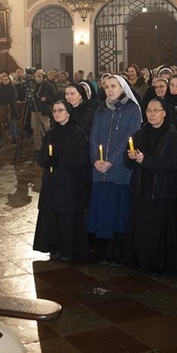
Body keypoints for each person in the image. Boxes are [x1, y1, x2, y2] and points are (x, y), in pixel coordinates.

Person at [125, 98, 177, 274]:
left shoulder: (173, 136)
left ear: (164, 113)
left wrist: (146, 160)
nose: (151, 114)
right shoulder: (140, 133)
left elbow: (174, 163)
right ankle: (142, 262)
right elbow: (127, 162)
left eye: (156, 110)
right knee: (142, 228)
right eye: (149, 110)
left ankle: (160, 264)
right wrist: (131, 157)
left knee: (158, 230)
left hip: (161, 190)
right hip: (142, 189)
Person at [88, 75, 142, 266]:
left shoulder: (132, 110)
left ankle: (119, 250)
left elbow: (130, 139)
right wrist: (96, 159)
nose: (110, 90)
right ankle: (107, 249)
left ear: (122, 88)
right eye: (107, 87)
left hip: (119, 170)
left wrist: (110, 161)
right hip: (100, 170)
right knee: (104, 211)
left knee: (119, 212)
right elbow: (93, 136)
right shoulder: (101, 110)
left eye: (114, 86)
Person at [33, 100, 90, 261]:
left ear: (68, 112)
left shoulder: (78, 132)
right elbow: (41, 155)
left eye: (60, 110)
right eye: (55, 110)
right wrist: (45, 160)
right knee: (52, 216)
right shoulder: (51, 132)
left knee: (66, 218)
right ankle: (54, 247)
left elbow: (81, 159)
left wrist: (58, 161)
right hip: (51, 183)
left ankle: (68, 249)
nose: (57, 113)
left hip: (68, 184)